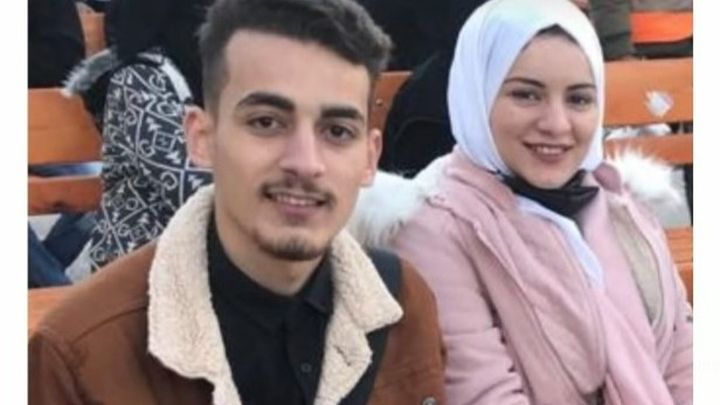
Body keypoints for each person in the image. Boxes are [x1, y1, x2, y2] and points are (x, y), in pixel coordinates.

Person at [28, 0, 446, 404]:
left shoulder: (403, 303)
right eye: (266, 122)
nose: (305, 163)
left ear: (370, 158)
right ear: (201, 139)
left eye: (337, 131)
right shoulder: (82, 354)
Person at [352, 0, 692, 403]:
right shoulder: (435, 232)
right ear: (478, 96)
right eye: (526, 95)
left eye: (579, 99)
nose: (556, 124)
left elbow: (684, 354)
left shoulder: (616, 206)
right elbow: (485, 394)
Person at [63, 0, 215, 270]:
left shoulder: (217, 75)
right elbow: (189, 186)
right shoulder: (138, 79)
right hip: (139, 269)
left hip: (207, 262)